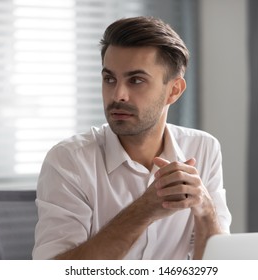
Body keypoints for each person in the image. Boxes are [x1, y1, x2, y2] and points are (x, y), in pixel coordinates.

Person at [32, 16, 231, 260]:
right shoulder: (69, 160)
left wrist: (205, 210)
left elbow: (215, 265)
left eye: (136, 80)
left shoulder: (203, 148)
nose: (118, 95)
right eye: (109, 79)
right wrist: (144, 210)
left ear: (174, 90)